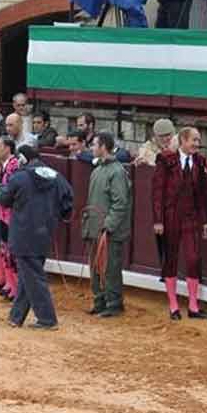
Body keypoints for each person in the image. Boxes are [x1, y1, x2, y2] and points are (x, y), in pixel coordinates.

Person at [0, 145, 73, 330]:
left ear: (23, 159)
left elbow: (4, 200)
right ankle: (16, 317)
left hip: (23, 233)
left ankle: (48, 319)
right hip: (44, 232)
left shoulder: (19, 177)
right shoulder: (55, 176)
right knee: (29, 275)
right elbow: (68, 201)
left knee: (33, 277)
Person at [153, 127, 207, 320]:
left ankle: (193, 306)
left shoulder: (199, 161)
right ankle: (173, 305)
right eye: (194, 140)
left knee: (193, 259)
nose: (197, 144)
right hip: (171, 217)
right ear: (183, 140)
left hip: (191, 217)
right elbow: (157, 192)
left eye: (198, 140)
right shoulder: (166, 160)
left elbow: (201, 195)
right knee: (171, 259)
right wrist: (158, 220)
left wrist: (204, 221)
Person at [82, 133, 132, 318]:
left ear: (103, 146)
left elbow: (120, 203)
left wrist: (108, 226)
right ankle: (100, 301)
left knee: (110, 267)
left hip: (109, 231)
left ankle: (114, 303)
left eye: (94, 144)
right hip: (96, 228)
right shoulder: (97, 170)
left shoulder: (117, 171)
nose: (91, 148)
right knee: (96, 267)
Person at [0, 136, 20, 301]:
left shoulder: (13, 165)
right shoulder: (4, 165)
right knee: (4, 250)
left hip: (11, 214)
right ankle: (10, 285)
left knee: (11, 251)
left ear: (8, 148)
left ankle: (15, 287)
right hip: (3, 212)